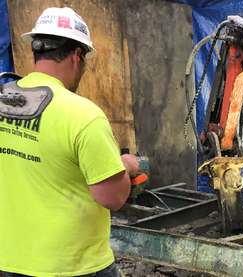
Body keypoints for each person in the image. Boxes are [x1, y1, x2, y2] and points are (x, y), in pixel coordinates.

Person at [0, 7, 139, 277]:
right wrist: (125, 166)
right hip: (73, 266)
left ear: (33, 53)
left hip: (8, 261)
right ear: (77, 56)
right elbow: (111, 198)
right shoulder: (83, 115)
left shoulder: (4, 99)